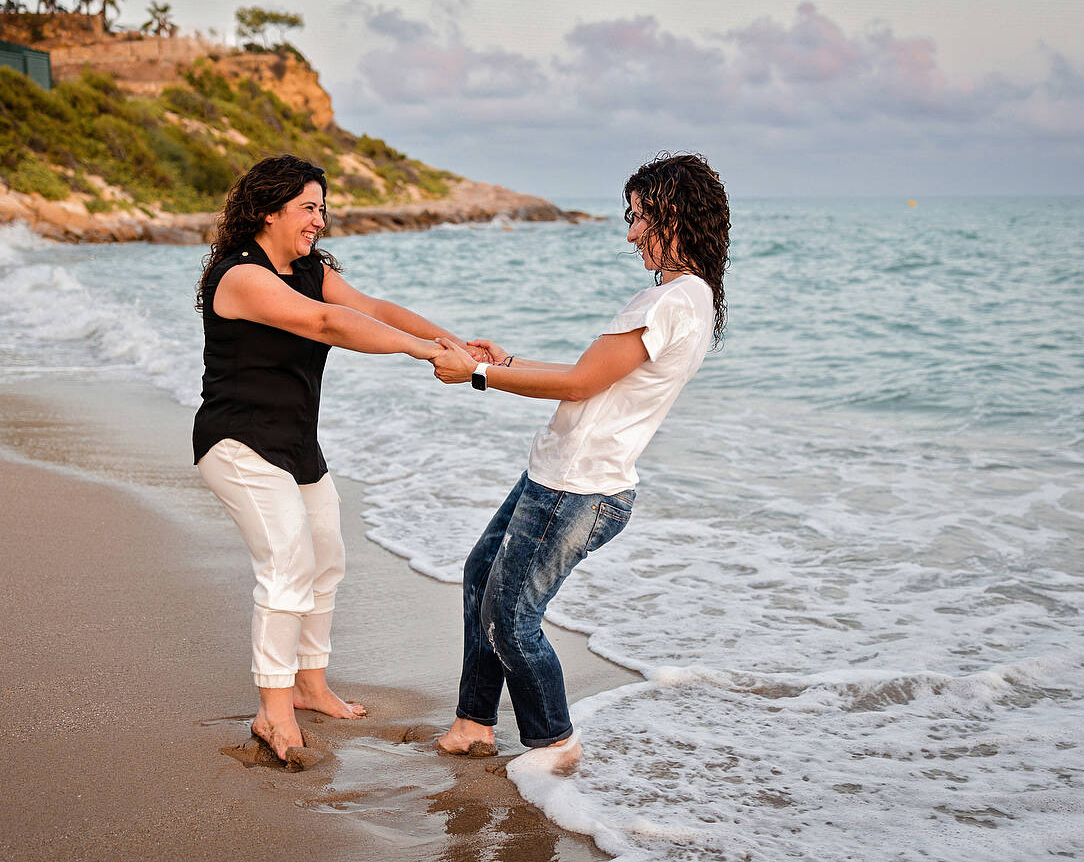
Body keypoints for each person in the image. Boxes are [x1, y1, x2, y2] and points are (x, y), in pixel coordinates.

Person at [429, 152, 730, 768]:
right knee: (482, 575)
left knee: (512, 617)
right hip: (561, 473)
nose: (630, 233)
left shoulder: (670, 302)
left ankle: (556, 745)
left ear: (673, 216)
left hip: (579, 485)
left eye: (640, 218)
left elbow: (578, 386)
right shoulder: (687, 300)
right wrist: (508, 363)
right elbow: (588, 378)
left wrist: (480, 374)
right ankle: (474, 723)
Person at [194, 154, 481, 761]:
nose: (319, 220)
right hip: (236, 441)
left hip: (296, 444)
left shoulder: (310, 268)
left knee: (326, 557)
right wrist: (424, 354)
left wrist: (454, 344)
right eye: (308, 207)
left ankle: (309, 685)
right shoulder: (239, 276)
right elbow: (329, 323)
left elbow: (371, 309)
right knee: (288, 561)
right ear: (268, 210)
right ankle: (271, 713)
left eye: (323, 208)